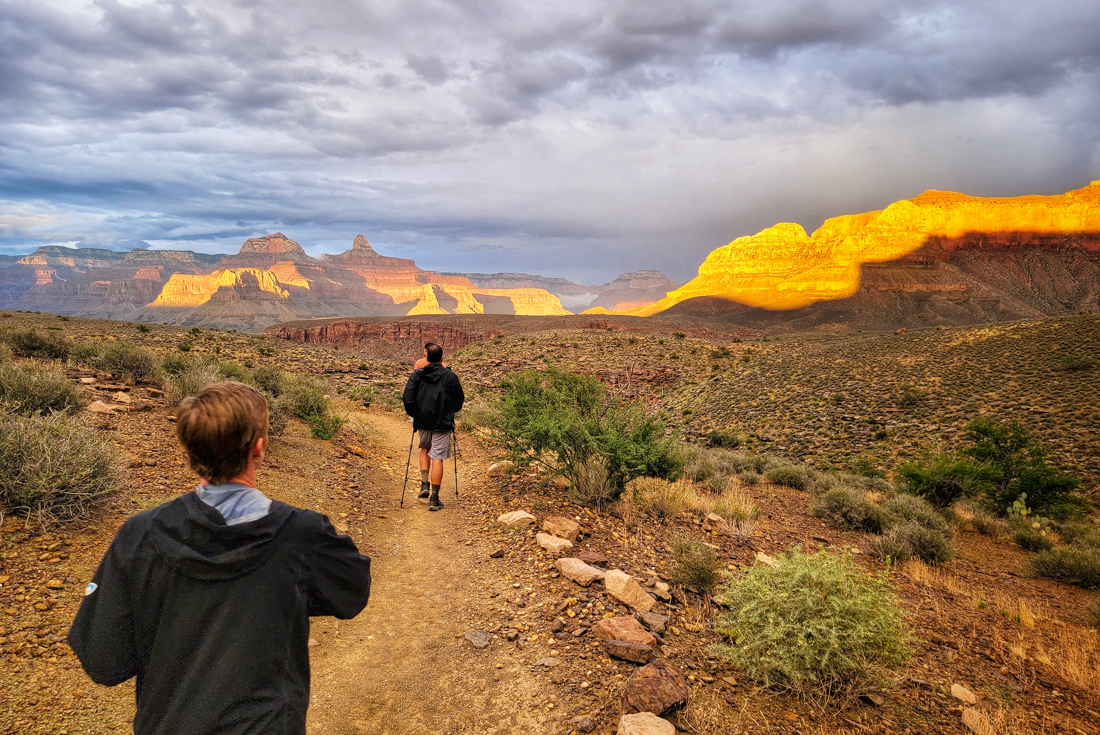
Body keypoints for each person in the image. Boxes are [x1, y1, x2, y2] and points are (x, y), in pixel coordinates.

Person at [68, 381, 372, 735]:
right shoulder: (302, 533)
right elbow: (351, 593)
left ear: (189, 450)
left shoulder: (140, 535)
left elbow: (104, 660)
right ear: (258, 448)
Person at [403, 342, 464, 511]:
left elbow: (407, 398)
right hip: (442, 422)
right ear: (442, 358)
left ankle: (424, 484)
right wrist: (450, 411)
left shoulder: (417, 375)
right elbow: (459, 400)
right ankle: (434, 499)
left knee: (424, 450)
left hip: (422, 421)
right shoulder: (450, 376)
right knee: (437, 457)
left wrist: (415, 413)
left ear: (426, 357)